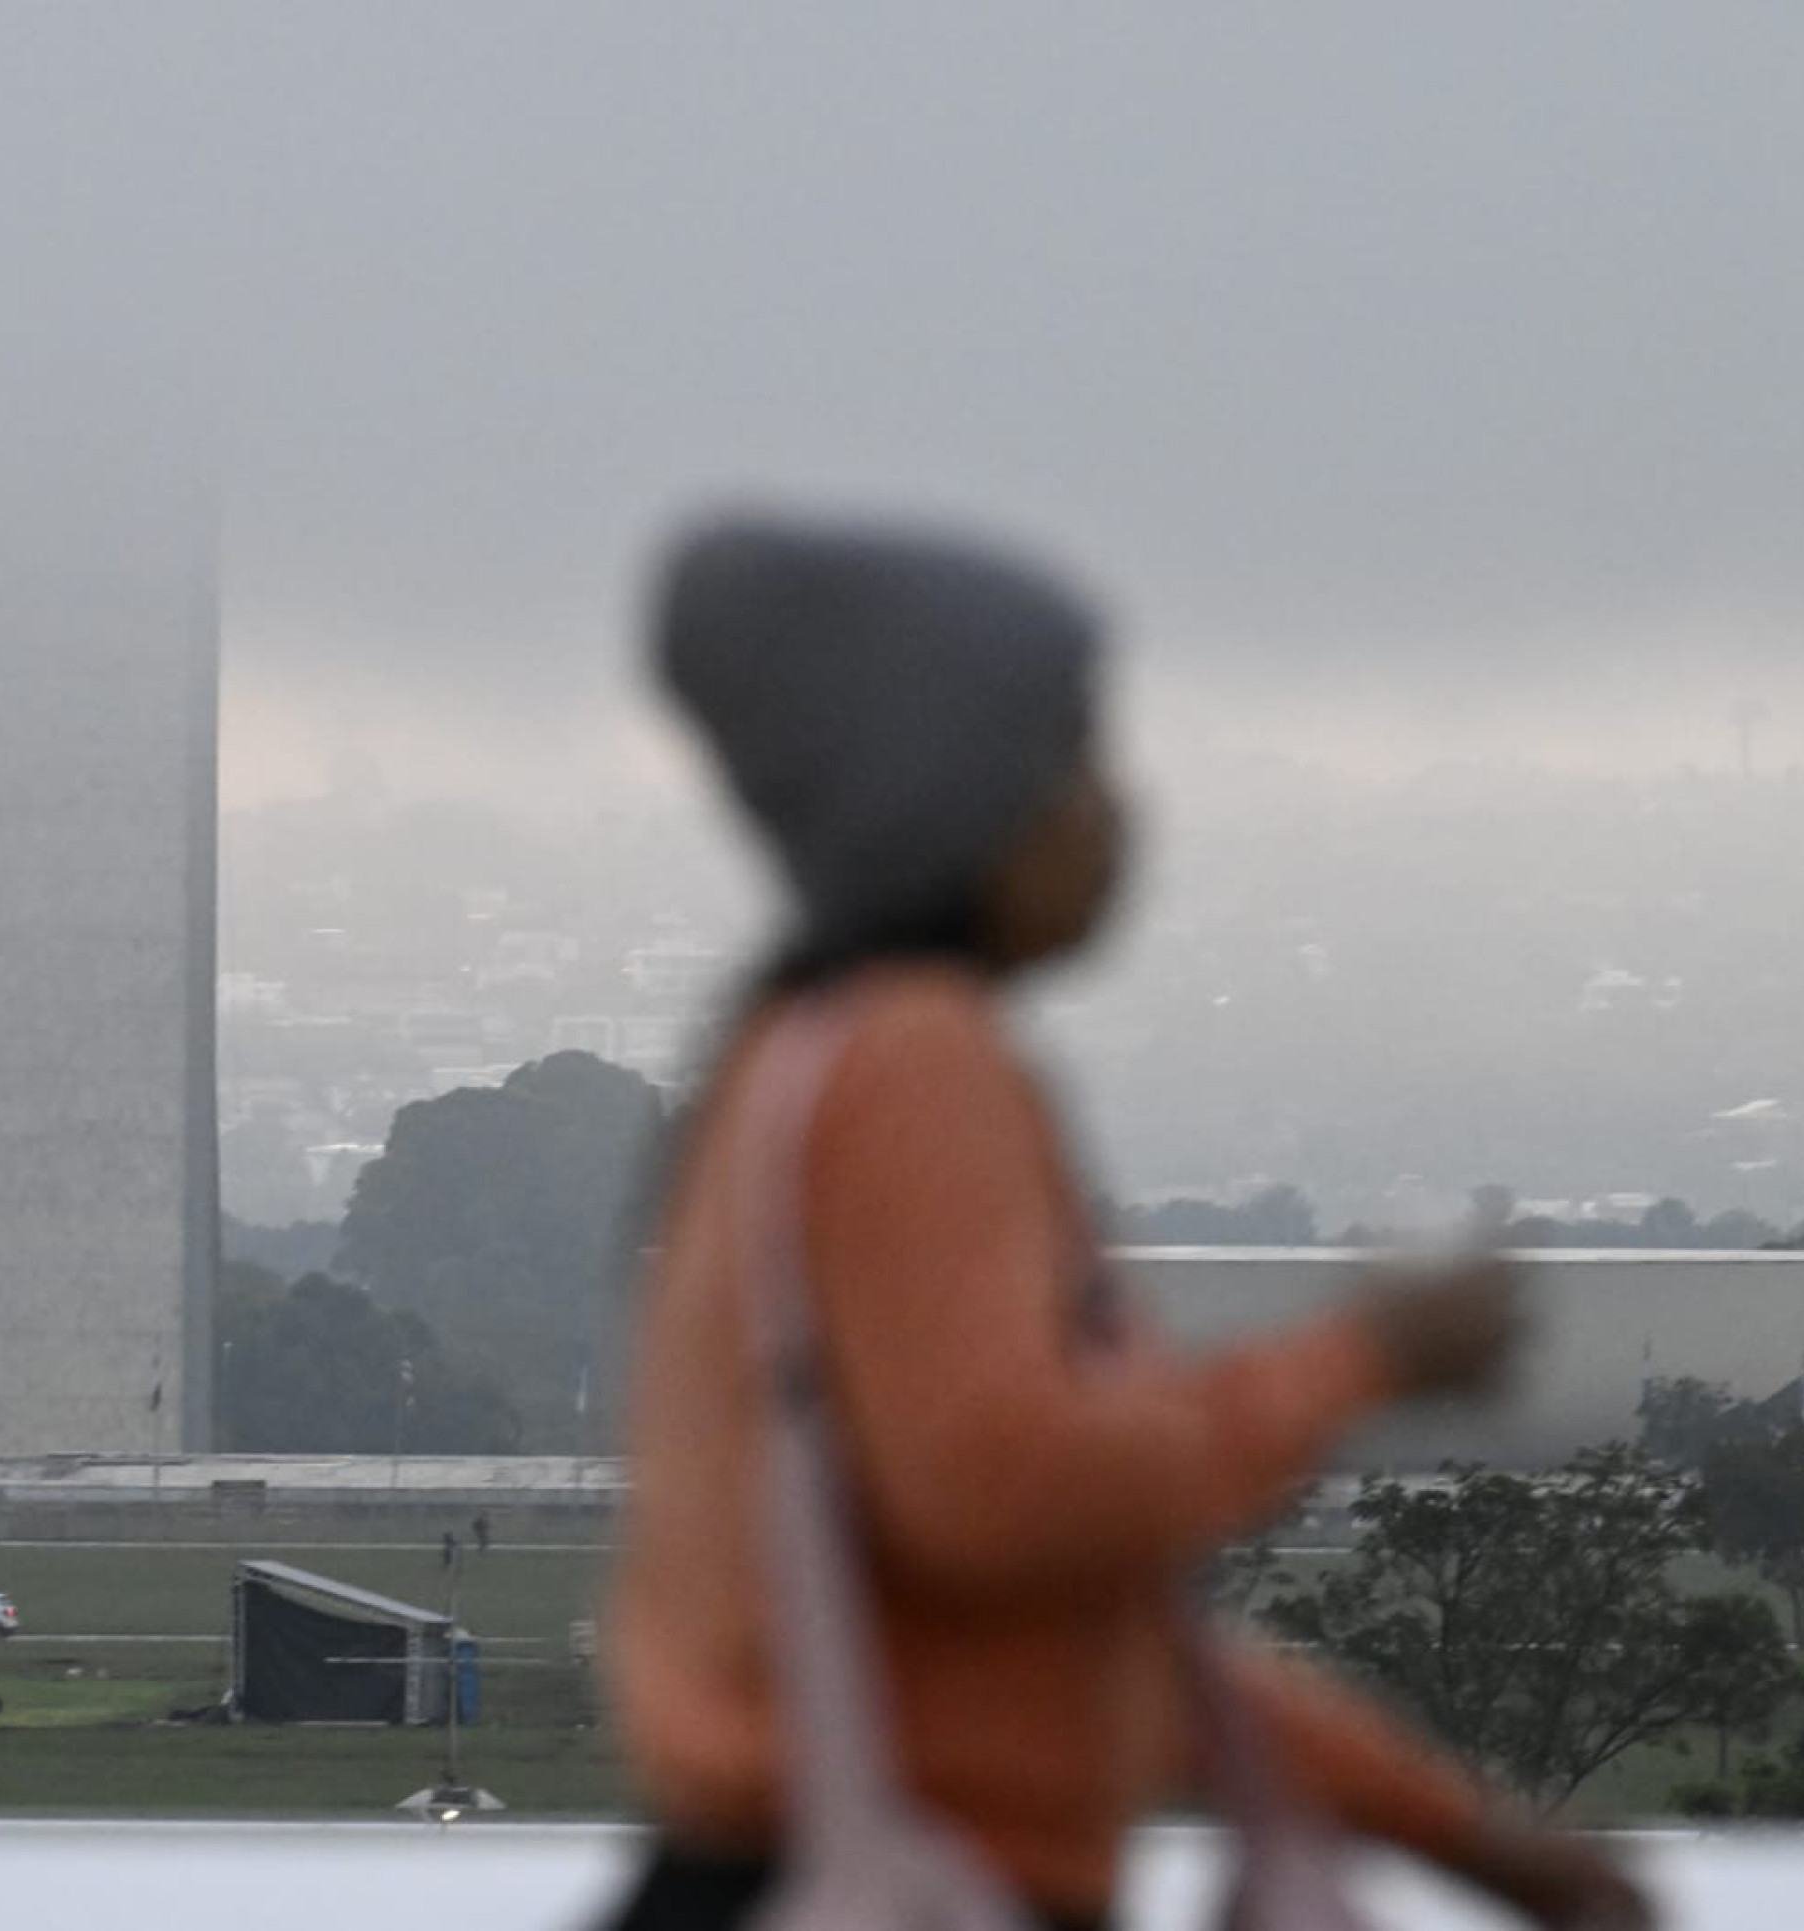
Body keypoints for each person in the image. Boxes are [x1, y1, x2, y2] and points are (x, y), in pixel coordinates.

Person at [605, 516, 1650, 1931]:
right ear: (952, 800)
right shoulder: (918, 1061)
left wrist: (1452, 1829)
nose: (1115, 812)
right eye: (1075, 759)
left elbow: (1068, 1643)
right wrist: (1365, 1362)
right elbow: (1006, 1492)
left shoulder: (797, 1062)